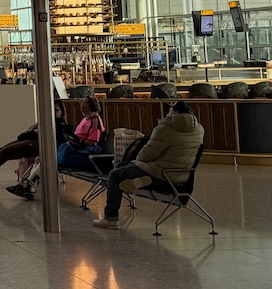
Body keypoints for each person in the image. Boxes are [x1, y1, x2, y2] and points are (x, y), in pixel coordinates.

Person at [94, 101, 205, 229]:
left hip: (159, 173)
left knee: (115, 174)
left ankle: (111, 218)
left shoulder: (164, 128)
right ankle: (139, 181)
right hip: (183, 176)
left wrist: (136, 161)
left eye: (169, 111)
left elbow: (146, 155)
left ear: (175, 112)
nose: (167, 113)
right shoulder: (199, 129)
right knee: (129, 170)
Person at [57, 96, 106, 172]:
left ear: (93, 107)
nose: (82, 110)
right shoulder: (86, 119)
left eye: (85, 108)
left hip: (85, 148)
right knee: (62, 146)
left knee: (65, 150)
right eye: (81, 108)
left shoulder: (95, 121)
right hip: (77, 145)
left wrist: (79, 141)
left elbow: (92, 141)